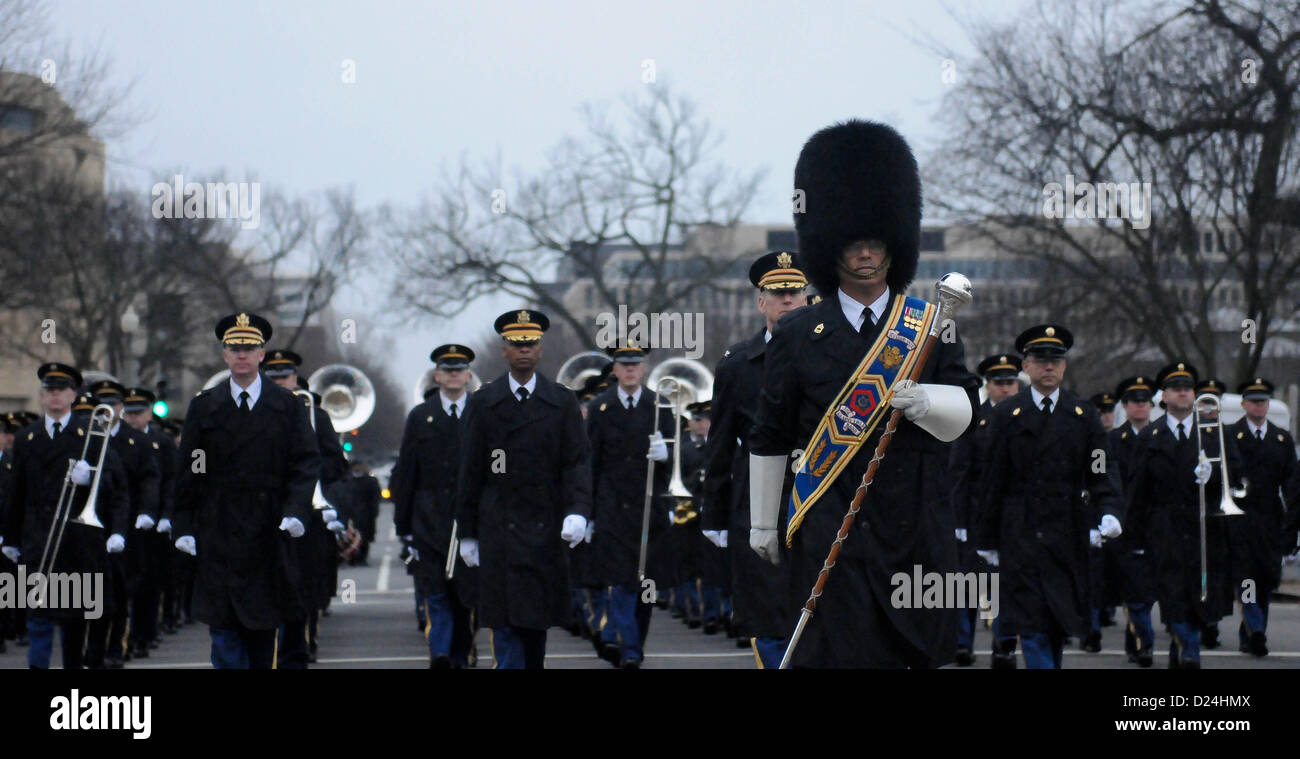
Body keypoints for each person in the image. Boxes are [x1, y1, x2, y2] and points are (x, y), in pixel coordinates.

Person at [750, 120, 979, 668]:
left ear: (894, 245)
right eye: (854, 243)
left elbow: (969, 411)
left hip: (914, 524)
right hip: (834, 522)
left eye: (876, 242)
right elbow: (772, 431)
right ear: (829, 248)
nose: (867, 254)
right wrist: (763, 522)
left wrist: (928, 402)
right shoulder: (799, 334)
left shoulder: (929, 326)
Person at [172, 313, 320, 669]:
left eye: (249, 348)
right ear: (224, 355)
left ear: (261, 355)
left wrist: (296, 511)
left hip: (267, 533)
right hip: (218, 529)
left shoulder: (287, 406)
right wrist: (184, 525)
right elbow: (191, 468)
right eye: (234, 348)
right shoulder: (204, 406)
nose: (241, 354)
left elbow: (304, 463)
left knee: (261, 634)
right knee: (223, 634)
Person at [976, 326, 1121, 669]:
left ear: (1065, 366)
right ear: (1026, 367)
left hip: (1066, 531)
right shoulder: (1005, 415)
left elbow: (1101, 469)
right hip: (1020, 532)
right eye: (1041, 360)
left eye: (1056, 360)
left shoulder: (1083, 417)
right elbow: (992, 480)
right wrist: (987, 538)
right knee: (1031, 624)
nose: (1049, 367)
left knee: (1056, 625)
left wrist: (1110, 510)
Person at [455, 309, 592, 669]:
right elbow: (470, 472)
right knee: (505, 628)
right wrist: (467, 533)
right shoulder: (484, 402)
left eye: (530, 343)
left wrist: (577, 511)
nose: (524, 351)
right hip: (498, 527)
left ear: (541, 348)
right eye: (517, 345)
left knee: (534, 630)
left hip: (543, 527)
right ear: (504, 350)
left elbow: (576, 463)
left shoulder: (561, 401)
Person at [703, 250, 808, 667]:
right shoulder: (736, 363)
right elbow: (720, 442)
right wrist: (714, 514)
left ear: (807, 297)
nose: (787, 300)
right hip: (756, 496)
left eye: (795, 292)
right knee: (765, 607)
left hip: (815, 489)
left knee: (814, 603)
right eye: (777, 293)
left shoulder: (829, 354)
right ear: (760, 301)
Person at [2, 362, 129, 669]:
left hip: (77, 540)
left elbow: (114, 488)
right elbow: (15, 493)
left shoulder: (91, 434)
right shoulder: (27, 438)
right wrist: (10, 536)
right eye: (49, 391)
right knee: (38, 617)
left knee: (73, 620)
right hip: (38, 538)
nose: (55, 396)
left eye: (61, 391)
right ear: (42, 396)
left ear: (73, 396)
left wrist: (91, 483)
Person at [1126, 361, 1242, 669]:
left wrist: (1213, 473)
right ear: (1163, 396)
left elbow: (1239, 476)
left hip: (1204, 528)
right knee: (1174, 594)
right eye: (1176, 389)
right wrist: (1133, 538)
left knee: (1199, 598)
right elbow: (1137, 491)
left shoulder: (1214, 432)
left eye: (1188, 389)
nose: (1183, 394)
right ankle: (1191, 650)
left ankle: (1183, 652)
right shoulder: (1150, 436)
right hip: (1164, 529)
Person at [586, 343, 675, 669]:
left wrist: (667, 456)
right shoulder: (600, 408)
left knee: (646, 589)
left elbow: (678, 460)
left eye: (635, 364)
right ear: (615, 369)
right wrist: (589, 514)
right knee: (621, 584)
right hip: (612, 510)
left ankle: (633, 643)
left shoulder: (659, 405)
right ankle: (631, 651)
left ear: (643, 368)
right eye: (623, 365)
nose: (629, 370)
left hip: (648, 510)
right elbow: (590, 463)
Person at [260, 349, 349, 668]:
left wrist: (306, 469)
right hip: (267, 511)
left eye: (284, 376)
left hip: (306, 513)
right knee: (270, 585)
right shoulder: (255, 411)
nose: (280, 382)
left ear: (295, 378)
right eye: (273, 377)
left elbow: (337, 464)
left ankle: (300, 644)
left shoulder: (315, 414)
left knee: (303, 584)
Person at [392, 343, 479, 668]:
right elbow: (407, 474)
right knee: (437, 594)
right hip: (429, 522)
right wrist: (405, 529)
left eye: (459, 369)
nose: (454, 375)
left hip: (470, 523)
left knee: (466, 598)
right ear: (438, 376)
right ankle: (440, 654)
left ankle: (460, 653)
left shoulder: (481, 412)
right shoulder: (420, 416)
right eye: (448, 370)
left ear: (468, 376)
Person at [949, 352, 1021, 667]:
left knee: (1003, 585)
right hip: (976, 512)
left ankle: (1003, 645)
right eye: (998, 383)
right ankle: (963, 642)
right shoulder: (973, 417)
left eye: (1010, 382)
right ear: (988, 386)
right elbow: (959, 471)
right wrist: (959, 519)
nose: (1005, 389)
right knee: (968, 581)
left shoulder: (1025, 416)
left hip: (1011, 514)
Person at [82, 379, 160, 669]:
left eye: (114, 404)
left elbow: (150, 479)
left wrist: (148, 512)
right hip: (92, 525)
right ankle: (92, 648)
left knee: (121, 591)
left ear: (120, 407)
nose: (109, 410)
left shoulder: (136, 439)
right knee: (93, 593)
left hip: (127, 527)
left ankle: (117, 646)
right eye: (104, 404)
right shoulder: (87, 437)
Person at [1226, 378, 1298, 657]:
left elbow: (1291, 481)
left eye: (1263, 401)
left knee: (1265, 577)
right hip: (1241, 516)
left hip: (1270, 518)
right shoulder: (1232, 434)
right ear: (1244, 404)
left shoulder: (1281, 438)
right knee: (1245, 578)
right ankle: (1255, 628)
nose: (1259, 405)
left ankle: (1253, 631)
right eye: (1254, 401)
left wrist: (1292, 520)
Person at [1106, 375, 1158, 667]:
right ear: (1125, 407)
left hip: (1156, 524)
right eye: (1134, 402)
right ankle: (1144, 644)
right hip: (1125, 524)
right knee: (1134, 593)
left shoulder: (1160, 435)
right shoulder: (1113, 440)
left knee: (1146, 594)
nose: (1140, 407)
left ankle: (1135, 639)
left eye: (1144, 402)